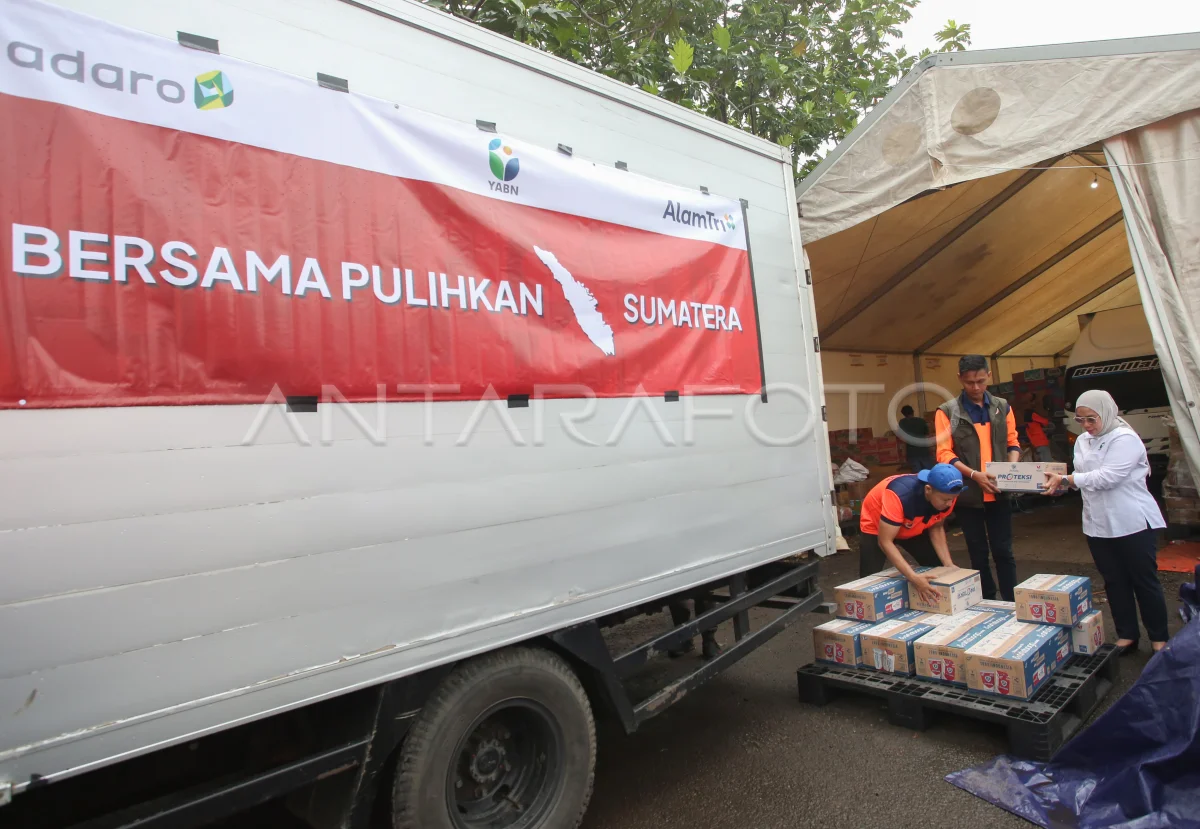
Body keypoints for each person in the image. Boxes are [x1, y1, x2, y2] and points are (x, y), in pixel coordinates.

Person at [1045, 390, 1169, 655]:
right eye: (1080, 420)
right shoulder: (1083, 441)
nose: (1086, 426)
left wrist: (1069, 480)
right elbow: (1082, 474)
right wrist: (1063, 485)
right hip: (1098, 523)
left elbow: (1108, 477)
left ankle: (1159, 637)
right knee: (1114, 581)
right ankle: (1127, 634)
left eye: (1092, 419)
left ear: (1107, 412)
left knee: (1144, 580)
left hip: (1131, 521)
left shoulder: (1125, 438)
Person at [936, 355, 1021, 600]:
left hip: (999, 492)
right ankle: (987, 601)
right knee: (977, 553)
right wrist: (974, 475)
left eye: (981, 381)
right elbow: (944, 453)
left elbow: (1013, 442)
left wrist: (1011, 468)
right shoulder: (947, 411)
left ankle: (1012, 602)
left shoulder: (1002, 407)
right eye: (969, 382)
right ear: (959, 379)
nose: (975, 387)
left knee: (1004, 551)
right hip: (969, 494)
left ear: (989, 376)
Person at [858, 463, 965, 603]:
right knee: (869, 581)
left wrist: (948, 564)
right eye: (946, 500)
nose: (950, 504)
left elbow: (937, 527)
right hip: (878, 525)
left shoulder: (947, 495)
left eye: (953, 498)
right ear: (928, 489)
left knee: (937, 568)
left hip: (913, 524)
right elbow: (885, 542)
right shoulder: (900, 495)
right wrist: (913, 578)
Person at [899, 405, 935, 472]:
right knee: (929, 472)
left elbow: (903, 440)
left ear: (903, 414)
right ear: (913, 412)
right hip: (924, 451)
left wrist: (903, 454)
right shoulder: (921, 421)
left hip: (912, 453)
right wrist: (931, 450)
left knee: (917, 474)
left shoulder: (902, 423)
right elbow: (927, 436)